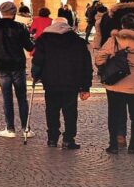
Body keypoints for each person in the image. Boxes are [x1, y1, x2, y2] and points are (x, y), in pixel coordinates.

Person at [96, 12, 134, 154]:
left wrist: (107, 66)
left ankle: (114, 144)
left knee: (115, 114)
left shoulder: (115, 40)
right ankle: (133, 145)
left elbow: (99, 58)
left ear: (122, 25)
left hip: (115, 83)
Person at [31, 17, 92, 149]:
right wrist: (85, 86)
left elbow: (37, 61)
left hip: (51, 81)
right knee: (70, 111)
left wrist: (35, 75)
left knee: (52, 110)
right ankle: (68, 139)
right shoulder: (78, 41)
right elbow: (86, 65)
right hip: (72, 82)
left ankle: (52, 138)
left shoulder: (43, 40)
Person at [0, 2, 35, 138]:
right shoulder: (20, 27)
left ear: (0, 12)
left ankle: (10, 129)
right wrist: (33, 39)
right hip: (17, 65)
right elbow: (29, 47)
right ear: (14, 12)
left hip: (1, 66)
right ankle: (26, 128)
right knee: (22, 98)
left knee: (7, 98)